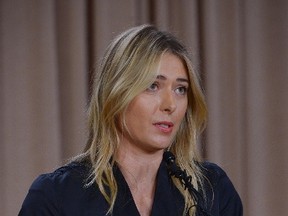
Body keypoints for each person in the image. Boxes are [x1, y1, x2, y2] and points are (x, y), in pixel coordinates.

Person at [19, 24, 243, 216]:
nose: (170, 105)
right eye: (153, 86)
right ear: (116, 94)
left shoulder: (212, 190)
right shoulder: (56, 195)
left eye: (180, 89)